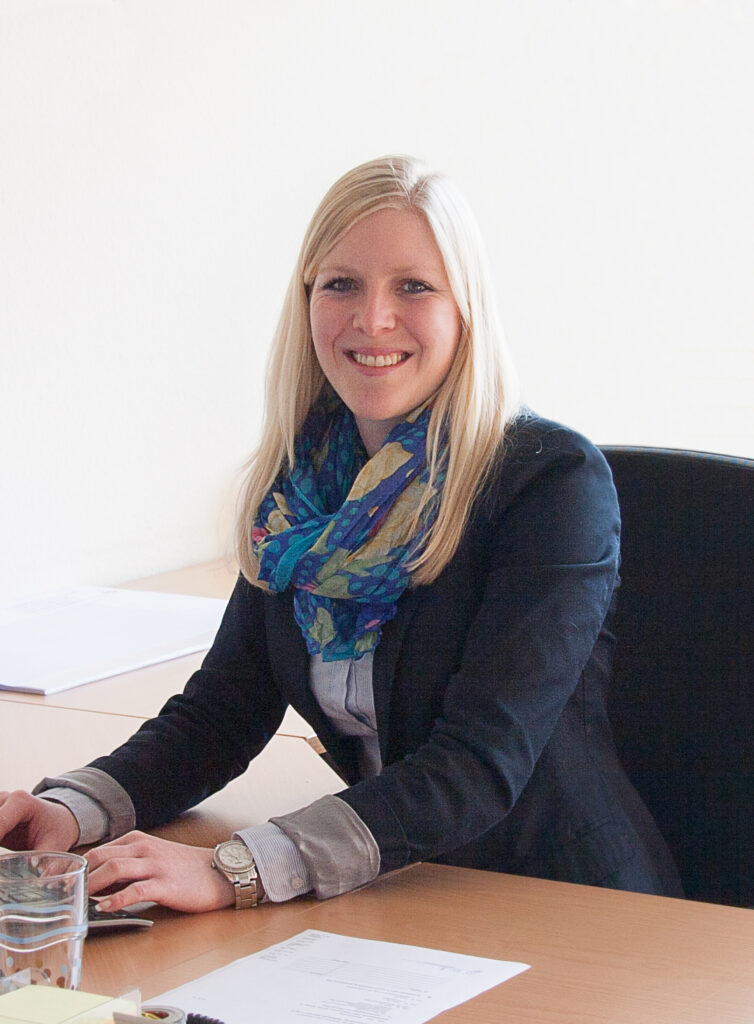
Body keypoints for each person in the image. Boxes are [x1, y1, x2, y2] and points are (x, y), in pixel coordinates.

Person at [0, 156, 682, 912]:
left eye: (413, 287)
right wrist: (72, 809)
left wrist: (234, 869)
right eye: (341, 284)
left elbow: (477, 763)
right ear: (307, 303)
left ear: (466, 309)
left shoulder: (548, 485)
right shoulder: (302, 493)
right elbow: (223, 712)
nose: (373, 319)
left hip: (556, 902)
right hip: (383, 889)